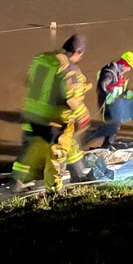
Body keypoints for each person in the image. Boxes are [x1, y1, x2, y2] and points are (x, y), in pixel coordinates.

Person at [11, 34, 94, 191]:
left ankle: (18, 181)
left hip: (30, 114)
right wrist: (83, 116)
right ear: (78, 53)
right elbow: (73, 99)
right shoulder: (70, 69)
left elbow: (29, 81)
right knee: (64, 149)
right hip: (52, 119)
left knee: (30, 149)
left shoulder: (41, 58)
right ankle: (72, 180)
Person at [82, 51, 133, 148]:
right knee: (111, 127)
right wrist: (108, 96)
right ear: (125, 63)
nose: (129, 70)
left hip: (115, 102)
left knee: (116, 124)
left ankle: (107, 146)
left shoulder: (120, 73)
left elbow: (120, 87)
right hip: (106, 103)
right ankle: (86, 138)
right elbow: (102, 85)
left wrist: (127, 92)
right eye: (129, 67)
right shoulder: (110, 71)